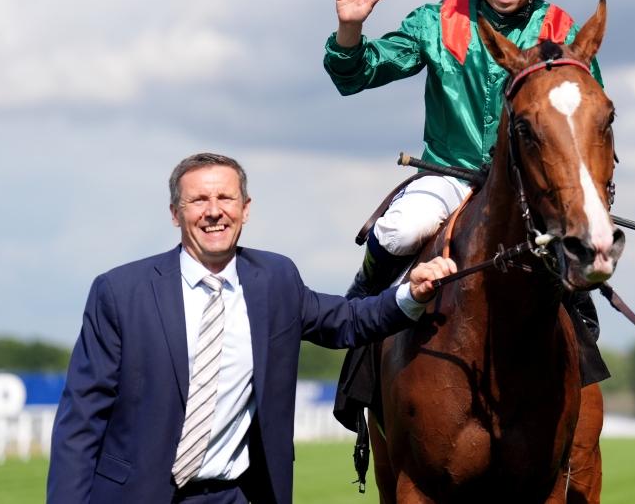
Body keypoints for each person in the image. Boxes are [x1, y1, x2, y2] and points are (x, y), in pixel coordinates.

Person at [46, 152, 457, 504]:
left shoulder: (276, 279)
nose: (213, 211)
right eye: (198, 200)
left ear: (245, 208)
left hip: (238, 495)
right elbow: (81, 422)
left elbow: (347, 321)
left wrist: (410, 294)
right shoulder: (119, 292)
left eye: (225, 198)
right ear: (175, 213)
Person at [324, 0, 607, 381]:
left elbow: (587, 121)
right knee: (400, 231)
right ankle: (361, 306)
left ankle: (580, 341)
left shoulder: (563, 30)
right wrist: (350, 29)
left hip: (531, 188)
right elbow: (357, 75)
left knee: (580, 251)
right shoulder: (438, 20)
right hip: (448, 176)